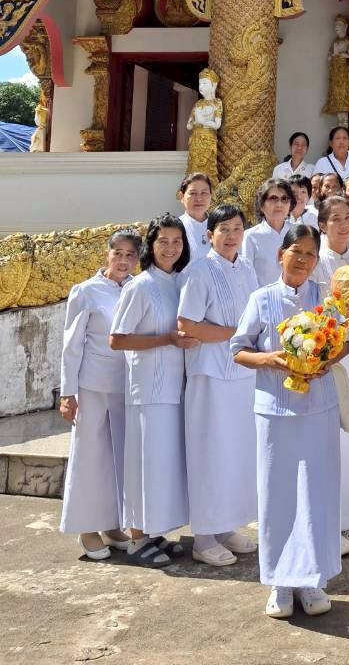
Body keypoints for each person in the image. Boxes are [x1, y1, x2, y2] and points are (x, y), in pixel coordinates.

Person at [231, 225, 345, 618]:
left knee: (316, 493)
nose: (303, 260)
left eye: (311, 254)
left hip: (319, 407)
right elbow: (238, 350)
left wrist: (324, 361)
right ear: (281, 254)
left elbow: (342, 344)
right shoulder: (261, 298)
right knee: (278, 493)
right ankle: (280, 581)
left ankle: (313, 579)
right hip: (275, 410)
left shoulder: (325, 299)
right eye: (296, 251)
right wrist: (271, 360)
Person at [109, 215, 196, 568]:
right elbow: (117, 339)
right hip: (146, 387)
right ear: (150, 245)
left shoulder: (180, 283)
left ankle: (155, 529)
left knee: (164, 465)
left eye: (177, 241)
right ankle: (136, 537)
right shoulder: (140, 286)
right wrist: (166, 340)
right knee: (144, 463)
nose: (171, 248)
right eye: (164, 241)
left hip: (174, 387)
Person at [177, 202, 259, 567]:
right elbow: (187, 325)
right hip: (210, 376)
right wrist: (236, 336)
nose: (231, 236)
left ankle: (225, 526)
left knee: (235, 454)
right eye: (223, 229)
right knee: (209, 453)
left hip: (242, 375)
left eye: (237, 228)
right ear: (209, 235)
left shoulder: (247, 268)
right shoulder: (199, 271)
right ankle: (204, 536)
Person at [59, 229, 139, 561]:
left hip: (127, 385)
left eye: (130, 255)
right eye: (117, 253)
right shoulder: (87, 292)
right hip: (92, 385)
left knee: (119, 459)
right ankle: (86, 528)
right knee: (90, 457)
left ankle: (112, 524)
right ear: (107, 254)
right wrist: (68, 392)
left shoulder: (138, 287)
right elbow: (71, 344)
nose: (123, 260)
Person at [313, 196, 349, 558]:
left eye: (348, 217)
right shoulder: (313, 263)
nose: (343, 225)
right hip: (327, 361)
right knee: (326, 443)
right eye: (335, 219)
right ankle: (325, 522)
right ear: (322, 225)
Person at [242, 179, 293, 287]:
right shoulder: (250, 236)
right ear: (261, 205)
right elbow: (246, 276)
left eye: (284, 199)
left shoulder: (298, 233)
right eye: (273, 198)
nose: (279, 204)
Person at [177, 172, 213, 258]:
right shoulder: (176, 227)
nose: (199, 199)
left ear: (211, 196)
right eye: (193, 193)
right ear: (182, 196)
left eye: (204, 193)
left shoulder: (219, 226)